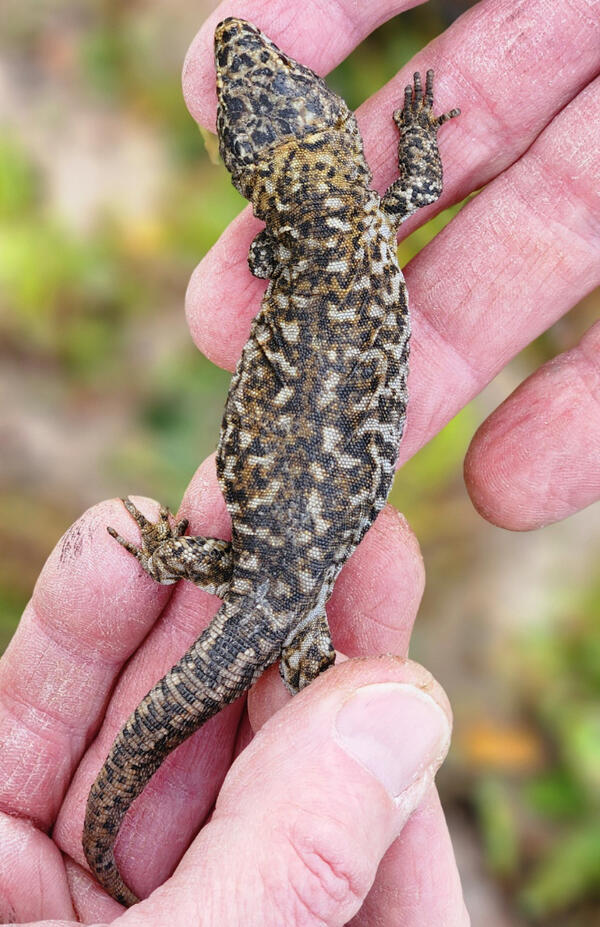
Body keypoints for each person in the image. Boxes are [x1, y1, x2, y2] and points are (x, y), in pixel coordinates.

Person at [0, 0, 598, 922]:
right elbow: (405, 184)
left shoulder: (312, 234)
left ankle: (127, 812)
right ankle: (123, 824)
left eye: (270, 81)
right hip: (284, 574)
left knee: (254, 643)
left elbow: (282, 255)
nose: (248, 54)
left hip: (269, 560)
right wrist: (410, 130)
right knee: (307, 678)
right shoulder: (370, 210)